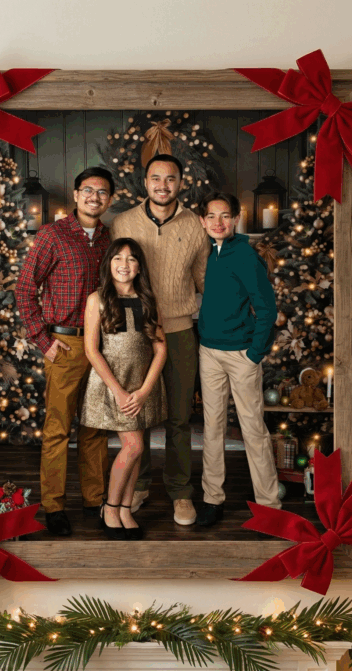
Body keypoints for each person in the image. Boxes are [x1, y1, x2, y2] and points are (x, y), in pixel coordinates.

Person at [17, 167, 115, 537]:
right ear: (76, 195)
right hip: (66, 344)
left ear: (109, 199)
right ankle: (54, 505)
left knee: (95, 428)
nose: (94, 197)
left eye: (102, 192)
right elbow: (25, 289)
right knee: (58, 428)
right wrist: (43, 340)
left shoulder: (110, 239)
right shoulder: (53, 235)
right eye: (88, 190)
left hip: (102, 345)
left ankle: (95, 500)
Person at [110, 155, 207, 526]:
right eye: (155, 178)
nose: (162, 185)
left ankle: (181, 491)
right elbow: (115, 273)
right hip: (137, 331)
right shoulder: (124, 221)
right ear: (145, 182)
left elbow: (204, 281)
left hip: (181, 331)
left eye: (170, 179)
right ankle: (139, 484)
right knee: (140, 415)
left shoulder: (195, 226)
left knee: (180, 417)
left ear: (181, 182)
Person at [194, 192, 281, 527]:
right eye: (212, 216)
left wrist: (255, 353)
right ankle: (212, 500)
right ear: (203, 222)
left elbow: (267, 309)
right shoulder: (210, 253)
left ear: (235, 219)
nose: (219, 222)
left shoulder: (245, 255)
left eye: (226, 216)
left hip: (241, 354)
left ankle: (269, 508)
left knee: (252, 429)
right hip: (209, 353)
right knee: (212, 428)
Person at [80, 239, 167, 540]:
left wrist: (144, 390)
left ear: (139, 267)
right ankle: (110, 505)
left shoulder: (147, 300)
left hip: (140, 384)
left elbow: (160, 349)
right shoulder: (98, 300)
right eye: (118, 258)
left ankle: (126, 508)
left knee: (137, 450)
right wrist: (118, 391)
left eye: (131, 260)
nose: (124, 265)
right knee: (134, 447)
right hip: (113, 383)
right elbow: (92, 350)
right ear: (109, 264)